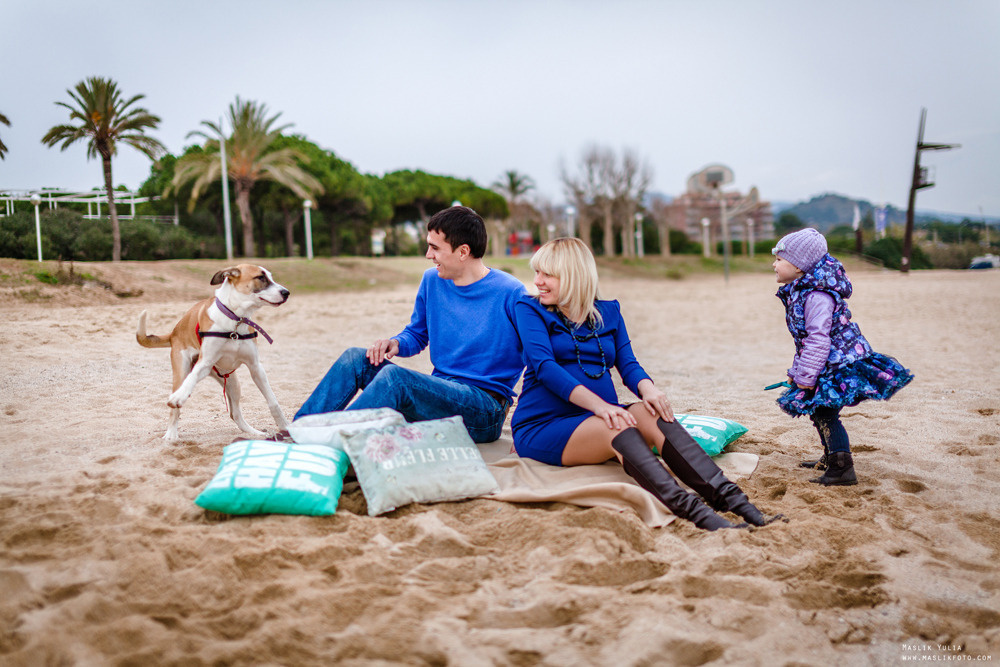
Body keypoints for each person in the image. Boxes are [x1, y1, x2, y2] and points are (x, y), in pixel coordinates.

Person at [511, 237, 777, 531]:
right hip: (545, 424)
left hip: (600, 418)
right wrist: (601, 407)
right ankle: (697, 514)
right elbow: (545, 368)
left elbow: (628, 364)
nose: (538, 281)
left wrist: (649, 389)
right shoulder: (530, 309)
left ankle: (737, 502)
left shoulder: (609, 313)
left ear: (574, 275)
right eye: (537, 272)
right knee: (617, 424)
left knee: (652, 413)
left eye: (547, 274)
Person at [292, 206, 526, 443]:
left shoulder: (511, 292)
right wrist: (395, 343)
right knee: (355, 359)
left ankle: (334, 441)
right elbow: (417, 333)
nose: (428, 254)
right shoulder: (432, 280)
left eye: (435, 248)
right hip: (439, 391)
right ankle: (297, 433)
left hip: (484, 410)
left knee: (397, 379)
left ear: (463, 251)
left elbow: (536, 357)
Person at [771, 228, 913, 486]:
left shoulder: (817, 296)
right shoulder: (801, 291)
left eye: (780, 259)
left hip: (839, 364)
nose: (774, 264)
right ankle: (830, 456)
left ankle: (842, 468)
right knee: (819, 411)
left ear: (799, 266)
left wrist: (806, 377)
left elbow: (818, 339)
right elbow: (804, 341)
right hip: (826, 362)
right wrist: (797, 372)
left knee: (825, 413)